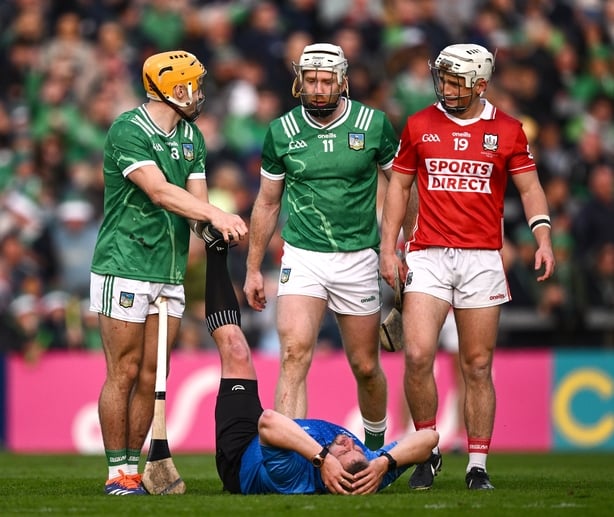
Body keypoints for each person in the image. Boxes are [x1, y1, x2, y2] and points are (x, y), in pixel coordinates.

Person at [379, 43, 555, 490]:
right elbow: (399, 188)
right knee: (417, 355)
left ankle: (477, 465)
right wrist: (388, 246)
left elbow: (531, 190)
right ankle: (427, 449)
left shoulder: (509, 130)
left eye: (455, 80)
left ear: (480, 84)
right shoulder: (419, 124)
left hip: (481, 257)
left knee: (477, 364)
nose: (444, 86)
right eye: (443, 77)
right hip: (428, 254)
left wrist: (543, 239)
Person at [89, 50, 248, 495]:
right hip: (124, 265)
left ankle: (135, 470)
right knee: (124, 369)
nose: (200, 93)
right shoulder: (128, 130)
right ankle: (117, 472)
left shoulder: (191, 136)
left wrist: (210, 226)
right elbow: (160, 192)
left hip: (170, 270)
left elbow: (194, 201)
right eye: (194, 85)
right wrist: (216, 213)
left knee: (153, 375)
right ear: (175, 89)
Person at [204, 224, 439, 494]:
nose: (351, 444)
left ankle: (215, 249)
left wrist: (321, 458)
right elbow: (429, 438)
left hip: (243, 453)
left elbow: (268, 422)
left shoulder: (291, 475)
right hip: (287, 442)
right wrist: (384, 463)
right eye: (360, 453)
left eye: (344, 453)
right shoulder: (370, 466)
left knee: (236, 349)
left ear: (330, 473)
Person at [243, 43, 398, 450]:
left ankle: (375, 446)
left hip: (358, 256)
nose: (318, 87)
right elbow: (267, 201)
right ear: (299, 80)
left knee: (365, 366)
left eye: (326, 80)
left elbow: (401, 187)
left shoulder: (374, 124)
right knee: (293, 353)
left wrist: (398, 246)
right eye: (311, 79)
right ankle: (291, 458)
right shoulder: (281, 131)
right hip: (303, 255)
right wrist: (253, 268)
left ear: (343, 81)